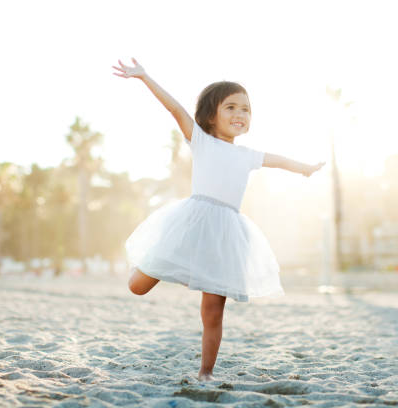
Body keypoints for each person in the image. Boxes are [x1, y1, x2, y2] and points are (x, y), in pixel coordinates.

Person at [112, 58, 325, 381]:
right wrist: (144, 77)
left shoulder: (247, 155)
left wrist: (305, 168)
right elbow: (175, 110)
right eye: (231, 107)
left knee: (213, 311)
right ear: (211, 116)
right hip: (190, 224)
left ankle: (206, 372)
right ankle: (143, 260)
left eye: (246, 109)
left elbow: (278, 160)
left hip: (224, 234)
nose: (240, 114)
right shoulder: (201, 141)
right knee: (137, 287)